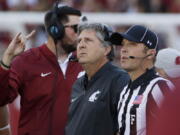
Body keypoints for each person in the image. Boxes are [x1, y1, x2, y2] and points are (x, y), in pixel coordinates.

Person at [0, 3, 83, 135]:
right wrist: (7, 58)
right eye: (75, 28)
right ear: (56, 29)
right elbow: (2, 99)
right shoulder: (26, 61)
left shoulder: (86, 62)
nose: (80, 34)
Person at [65, 23, 130, 135]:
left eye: (88, 40)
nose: (81, 45)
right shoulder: (77, 84)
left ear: (106, 49)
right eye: (79, 41)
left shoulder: (120, 81)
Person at [110, 25, 174, 135]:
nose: (123, 49)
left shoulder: (161, 87)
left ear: (150, 53)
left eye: (132, 44)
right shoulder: (125, 90)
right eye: (123, 44)